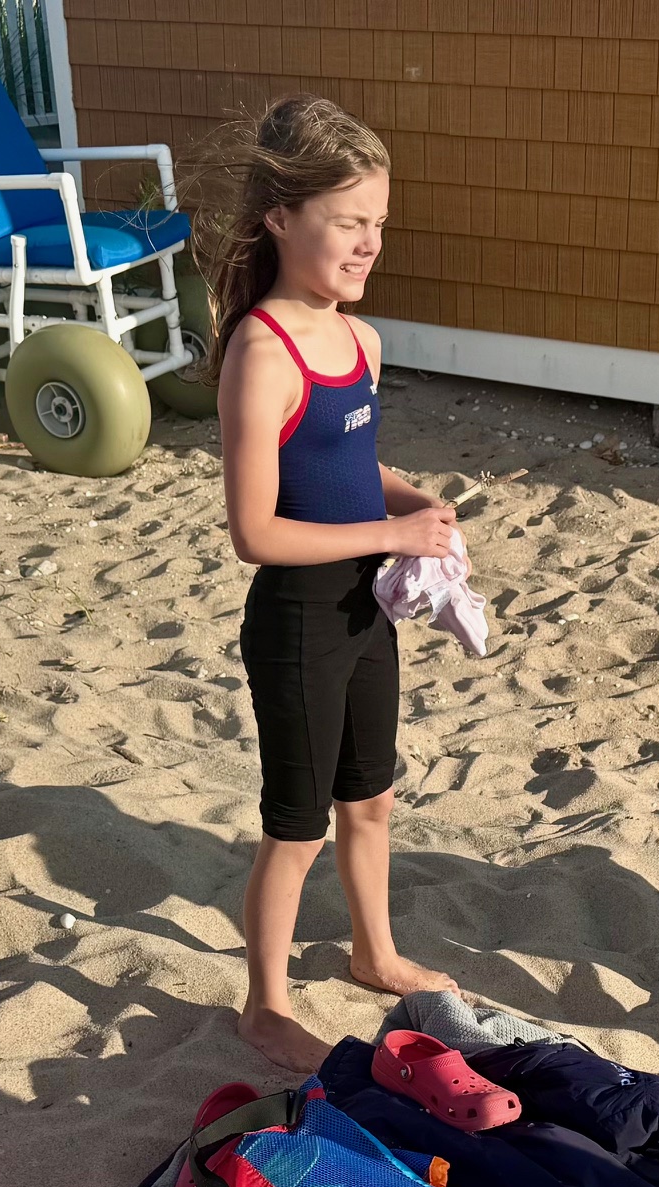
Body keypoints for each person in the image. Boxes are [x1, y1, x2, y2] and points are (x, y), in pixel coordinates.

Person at [199, 95, 460, 1072]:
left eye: (378, 223)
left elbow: (349, 468)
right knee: (296, 826)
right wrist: (391, 530)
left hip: (366, 613)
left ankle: (373, 951)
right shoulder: (261, 351)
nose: (369, 244)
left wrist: (414, 501)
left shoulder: (360, 341)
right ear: (280, 216)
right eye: (348, 222)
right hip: (298, 623)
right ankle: (265, 1005)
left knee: (372, 800)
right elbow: (255, 531)